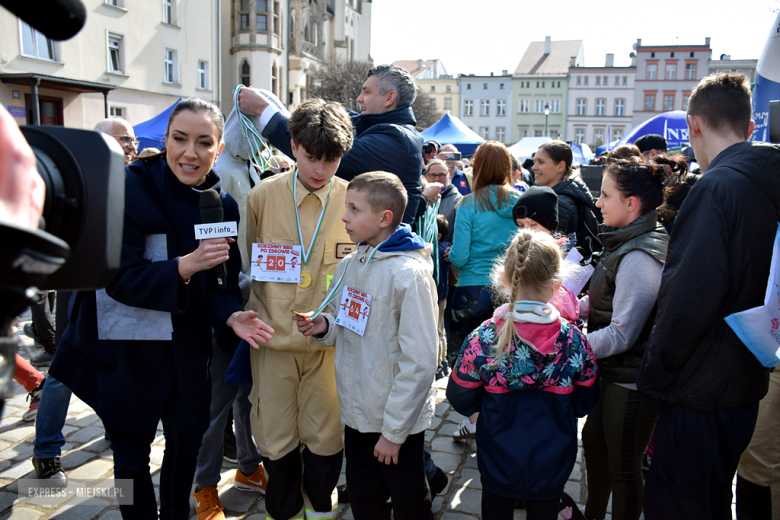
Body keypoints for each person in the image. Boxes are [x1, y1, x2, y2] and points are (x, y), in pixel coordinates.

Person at [49, 98, 274, 520]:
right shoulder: (126, 189)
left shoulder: (221, 206)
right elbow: (118, 279)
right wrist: (185, 265)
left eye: (204, 143)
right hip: (124, 351)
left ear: (219, 148)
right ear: (166, 140)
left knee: (186, 445)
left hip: (185, 353)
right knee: (131, 460)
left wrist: (230, 314)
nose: (190, 153)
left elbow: (221, 283)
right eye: (180, 139)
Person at [636, 73, 780, 519]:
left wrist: (653, 382)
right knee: (715, 498)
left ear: (693, 125)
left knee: (679, 502)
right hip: (747, 379)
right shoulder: (765, 178)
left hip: (700, 390)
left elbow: (687, 302)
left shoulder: (715, 188)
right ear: (750, 127)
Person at [294, 171, 439, 520]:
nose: (344, 216)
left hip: (395, 421)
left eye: (354, 209)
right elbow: (348, 325)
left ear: (384, 218)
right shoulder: (352, 263)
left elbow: (420, 359)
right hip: (357, 413)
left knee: (408, 502)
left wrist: (393, 432)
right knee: (363, 497)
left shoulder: (409, 274)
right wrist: (323, 326)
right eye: (346, 207)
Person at [244, 98, 355, 520]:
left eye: (331, 160)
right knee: (274, 435)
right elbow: (247, 263)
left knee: (327, 436)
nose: (321, 170)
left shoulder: (352, 200)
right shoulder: (263, 197)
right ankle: (282, 510)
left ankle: (320, 509)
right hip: (272, 342)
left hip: (331, 348)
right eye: (312, 158)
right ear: (293, 146)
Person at [446, 229, 599, 520]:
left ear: (504, 279)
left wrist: (481, 409)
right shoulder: (575, 342)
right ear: (557, 284)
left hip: (497, 458)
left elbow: (459, 395)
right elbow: (586, 399)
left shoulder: (483, 338)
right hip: (552, 459)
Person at [571, 157, 684, 520]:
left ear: (631, 204)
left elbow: (622, 333)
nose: (598, 202)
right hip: (612, 373)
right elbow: (607, 300)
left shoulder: (640, 253)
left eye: (605, 195)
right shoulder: (626, 241)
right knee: (595, 449)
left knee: (623, 469)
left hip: (630, 381)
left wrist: (566, 345)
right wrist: (572, 307)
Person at [193, 101, 268, 519]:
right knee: (217, 402)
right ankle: (203, 484)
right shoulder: (222, 181)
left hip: (250, 297)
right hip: (220, 306)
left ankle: (248, 465)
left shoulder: (249, 176)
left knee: (246, 394)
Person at [238, 64, 424, 225]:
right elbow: (333, 116)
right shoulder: (387, 128)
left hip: (384, 257)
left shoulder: (398, 139)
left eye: (367, 92)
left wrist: (263, 109)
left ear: (389, 98)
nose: (359, 98)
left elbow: (321, 144)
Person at [445, 141, 521, 440]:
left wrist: (451, 254)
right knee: (503, 355)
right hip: (506, 289)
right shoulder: (519, 201)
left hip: (471, 290)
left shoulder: (468, 203)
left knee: (466, 356)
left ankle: (475, 418)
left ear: (476, 168)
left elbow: (461, 256)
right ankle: (500, 416)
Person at [532, 141, 600, 257]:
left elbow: (548, 253)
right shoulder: (564, 195)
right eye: (535, 162)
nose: (534, 167)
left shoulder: (559, 203)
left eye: (541, 162)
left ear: (560, 166)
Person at [423, 159, 461, 243]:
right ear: (426, 176)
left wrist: (452, 247)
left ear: (448, 176)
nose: (437, 179)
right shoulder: (420, 198)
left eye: (441, 175)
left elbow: (462, 230)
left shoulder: (457, 200)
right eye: (432, 175)